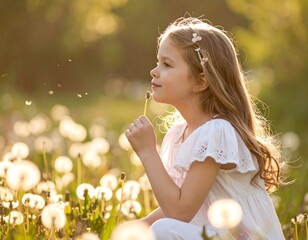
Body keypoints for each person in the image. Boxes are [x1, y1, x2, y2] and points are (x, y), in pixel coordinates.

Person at [125, 17, 285, 240]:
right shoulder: (180, 133)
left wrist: (147, 152)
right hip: (215, 234)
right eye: (157, 62)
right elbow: (186, 203)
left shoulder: (217, 132)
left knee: (163, 231)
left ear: (201, 82)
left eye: (167, 64)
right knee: (155, 229)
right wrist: (134, 228)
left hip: (244, 237)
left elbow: (180, 211)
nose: (154, 71)